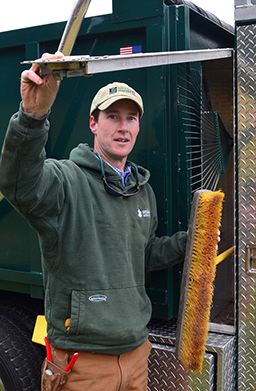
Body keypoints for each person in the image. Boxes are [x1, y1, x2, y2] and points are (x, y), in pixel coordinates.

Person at [0, 52, 189, 391]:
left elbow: (143, 255)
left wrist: (189, 242)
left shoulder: (142, 191)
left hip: (135, 358)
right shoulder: (64, 180)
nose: (123, 126)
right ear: (93, 123)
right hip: (81, 364)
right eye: (113, 116)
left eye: (131, 118)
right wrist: (32, 116)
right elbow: (19, 184)